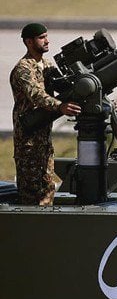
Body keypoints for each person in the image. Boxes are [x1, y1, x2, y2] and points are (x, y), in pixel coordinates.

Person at [10, 23, 82, 205]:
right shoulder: (23, 69)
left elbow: (66, 88)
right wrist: (60, 106)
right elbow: (37, 96)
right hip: (28, 141)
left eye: (46, 36)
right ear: (29, 42)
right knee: (31, 192)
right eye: (42, 37)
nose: (47, 41)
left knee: (48, 188)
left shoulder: (47, 65)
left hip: (43, 139)